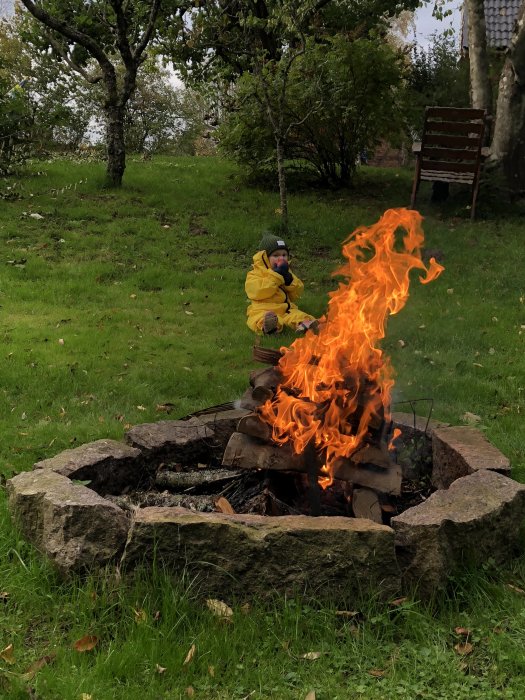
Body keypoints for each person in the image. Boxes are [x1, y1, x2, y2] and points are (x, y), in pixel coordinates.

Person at [245, 233, 317, 334]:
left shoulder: (286, 272)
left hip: (285, 309)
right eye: (276, 255)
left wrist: (289, 280)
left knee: (297, 315)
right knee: (259, 318)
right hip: (263, 309)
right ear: (265, 258)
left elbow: (297, 294)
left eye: (284, 255)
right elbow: (258, 292)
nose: (281, 258)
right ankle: (269, 327)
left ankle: (305, 325)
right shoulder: (254, 274)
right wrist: (276, 275)